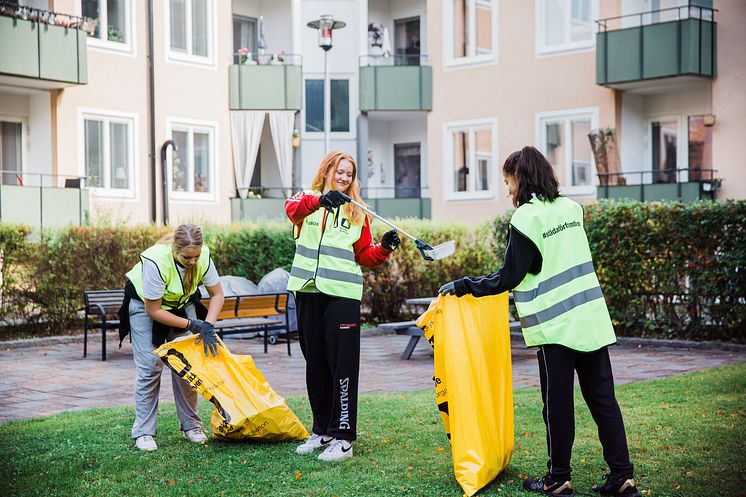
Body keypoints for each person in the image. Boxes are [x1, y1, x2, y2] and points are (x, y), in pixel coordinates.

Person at [439, 146, 641, 497]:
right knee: (604, 400)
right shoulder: (571, 208)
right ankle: (623, 476)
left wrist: (464, 285)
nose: (507, 190)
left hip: (556, 327)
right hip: (590, 319)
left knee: (558, 405)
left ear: (521, 179)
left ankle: (558, 478)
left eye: (507, 181)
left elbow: (509, 277)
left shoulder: (527, 218)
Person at [285, 150, 400, 462]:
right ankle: (322, 431)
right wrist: (322, 201)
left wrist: (384, 249)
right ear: (326, 171)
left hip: (343, 295)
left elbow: (364, 255)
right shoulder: (306, 198)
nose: (344, 177)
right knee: (316, 363)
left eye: (349, 173)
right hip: (307, 291)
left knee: (342, 365)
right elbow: (291, 210)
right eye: (340, 171)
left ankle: (344, 437)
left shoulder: (357, 211)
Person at [120, 223, 225, 452]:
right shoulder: (156, 262)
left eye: (196, 256)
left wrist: (208, 325)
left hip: (180, 304)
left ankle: (192, 426)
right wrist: (192, 324)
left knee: (186, 366)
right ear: (175, 250)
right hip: (144, 306)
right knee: (150, 365)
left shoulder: (203, 256)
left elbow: (217, 294)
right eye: (188, 257)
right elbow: (154, 310)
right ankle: (144, 432)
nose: (193, 262)